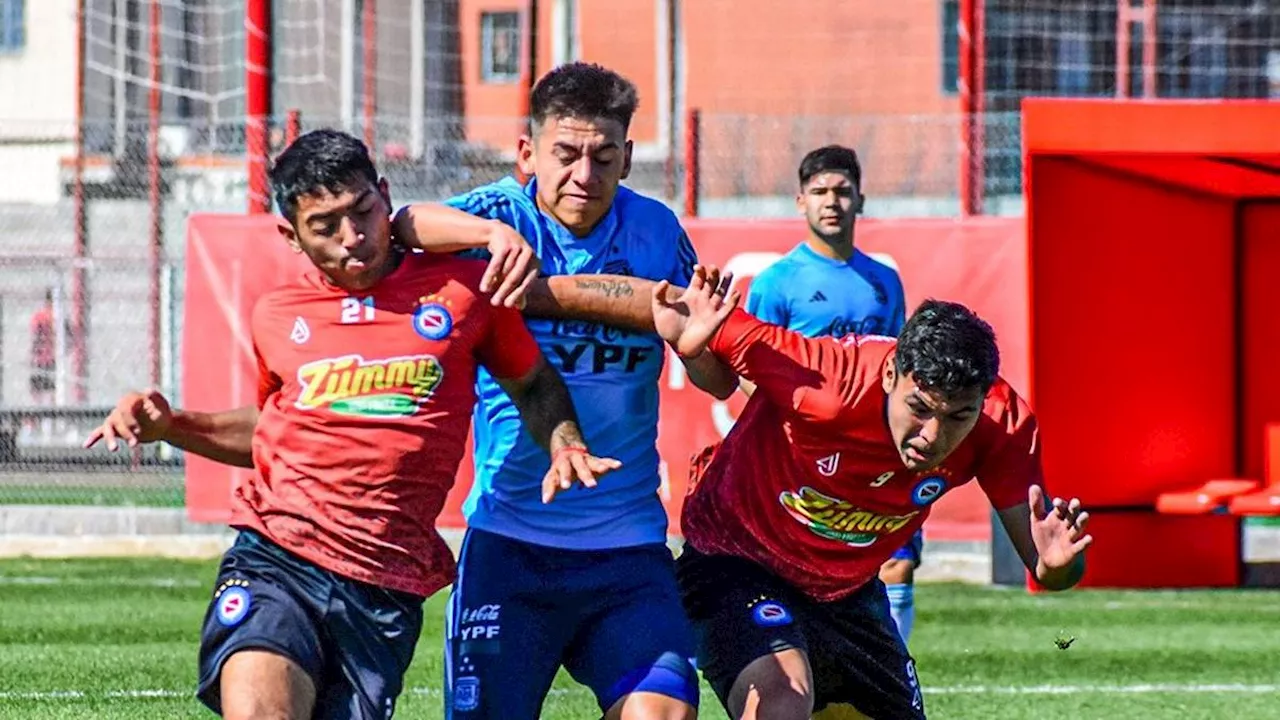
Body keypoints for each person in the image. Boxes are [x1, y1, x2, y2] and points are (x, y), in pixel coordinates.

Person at [83, 129, 618, 720]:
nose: (353, 238)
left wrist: (564, 441)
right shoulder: (277, 315)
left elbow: (535, 383)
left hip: (383, 580)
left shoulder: (464, 292)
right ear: (290, 235)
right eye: (325, 226)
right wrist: (173, 425)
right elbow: (274, 430)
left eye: (363, 212)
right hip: (277, 555)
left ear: (385, 198)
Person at [517, 267, 1092, 720]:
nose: (932, 438)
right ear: (891, 376)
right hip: (734, 560)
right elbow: (668, 308)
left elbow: (1045, 564)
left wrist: (1061, 564)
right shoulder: (827, 381)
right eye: (919, 410)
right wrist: (524, 294)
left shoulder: (1004, 425)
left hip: (846, 590)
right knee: (782, 699)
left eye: (957, 418)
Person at [394, 61, 734, 720]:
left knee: (663, 713)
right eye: (567, 155)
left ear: (629, 157)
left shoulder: (657, 232)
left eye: (605, 157)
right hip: (509, 543)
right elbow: (404, 222)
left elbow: (718, 372)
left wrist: (698, 353)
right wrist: (489, 237)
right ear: (526, 153)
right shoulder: (497, 211)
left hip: (626, 544)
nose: (585, 175)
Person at [743, 145, 919, 646]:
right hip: (803, 455)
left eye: (842, 191)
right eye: (820, 192)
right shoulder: (778, 283)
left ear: (860, 199)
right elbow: (750, 367)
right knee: (800, 573)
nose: (832, 202)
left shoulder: (884, 281)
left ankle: (890, 669)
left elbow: (897, 367)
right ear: (801, 201)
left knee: (895, 565)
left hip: (872, 454)